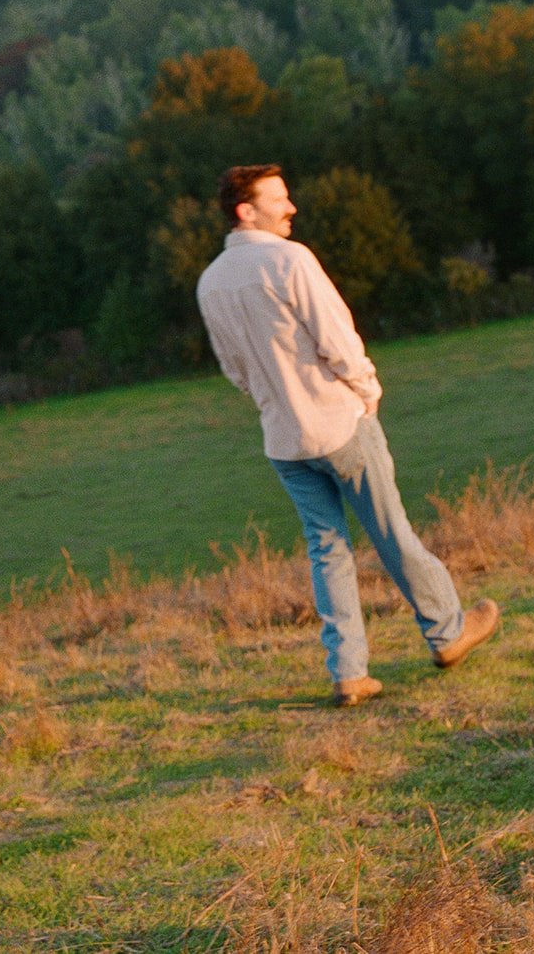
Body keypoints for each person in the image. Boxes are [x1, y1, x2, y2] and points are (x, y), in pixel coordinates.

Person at [195, 164, 499, 707]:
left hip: (282, 440)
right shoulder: (289, 259)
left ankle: (349, 673)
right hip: (338, 423)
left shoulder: (210, 281)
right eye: (279, 200)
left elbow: (233, 368)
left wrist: (271, 398)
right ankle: (448, 634)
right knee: (392, 534)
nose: (291, 208)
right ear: (247, 210)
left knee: (326, 550)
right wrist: (366, 390)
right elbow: (336, 336)